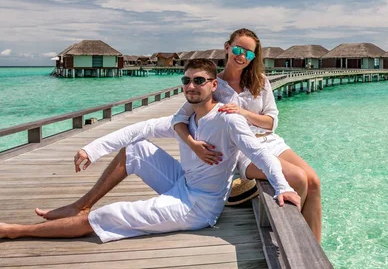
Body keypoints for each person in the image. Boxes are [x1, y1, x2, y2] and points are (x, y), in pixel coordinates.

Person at [0, 59, 300, 242]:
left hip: (198, 207)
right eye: (186, 80)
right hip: (183, 183)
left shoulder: (228, 120)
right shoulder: (186, 118)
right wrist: (92, 149)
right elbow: (138, 129)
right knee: (136, 148)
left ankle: (16, 230)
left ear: (213, 85)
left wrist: (283, 186)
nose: (191, 85)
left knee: (108, 216)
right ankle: (81, 204)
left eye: (199, 81)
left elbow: (260, 154)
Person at [172, 28, 322, 242]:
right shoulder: (213, 84)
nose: (242, 56)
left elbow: (271, 122)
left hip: (269, 140)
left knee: (314, 181)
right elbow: (178, 120)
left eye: (249, 53)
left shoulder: (260, 81)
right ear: (227, 48)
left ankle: (314, 249)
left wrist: (243, 112)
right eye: (238, 49)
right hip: (241, 149)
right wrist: (193, 145)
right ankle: (295, 242)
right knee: (297, 177)